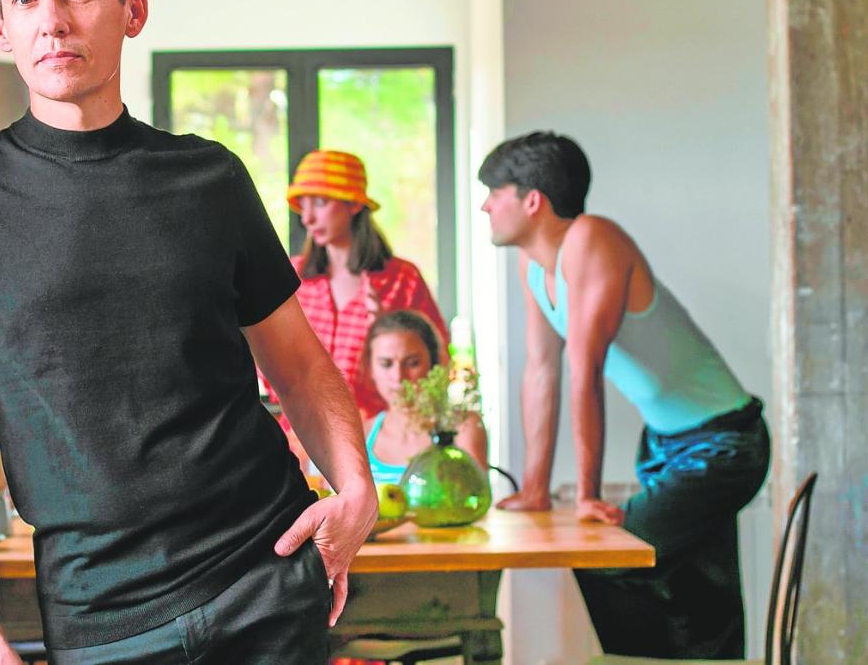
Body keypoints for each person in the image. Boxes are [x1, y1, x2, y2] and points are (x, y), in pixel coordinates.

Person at [0, 0, 376, 664]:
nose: (53, 21)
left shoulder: (210, 178)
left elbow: (297, 365)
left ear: (133, 10)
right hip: (98, 617)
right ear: (0, 27)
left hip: (264, 574)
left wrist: (356, 490)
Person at [478, 131, 770, 659]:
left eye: (494, 193)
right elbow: (541, 371)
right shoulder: (533, 265)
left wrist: (588, 495)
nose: (485, 206)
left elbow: (584, 367)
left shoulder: (592, 238)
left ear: (532, 200)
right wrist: (535, 489)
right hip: (667, 445)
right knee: (696, 583)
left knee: (610, 557)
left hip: (725, 443)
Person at [282, 149, 449, 420]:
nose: (307, 218)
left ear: (354, 205)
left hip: (376, 435)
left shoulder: (403, 280)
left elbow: (438, 363)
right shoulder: (292, 276)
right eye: (303, 204)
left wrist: (385, 330)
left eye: (320, 203)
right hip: (302, 432)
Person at [362, 311, 487, 486]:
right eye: (386, 364)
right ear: (370, 369)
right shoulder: (361, 436)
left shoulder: (461, 428)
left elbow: (476, 497)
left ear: (434, 364)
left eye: (412, 363)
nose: (398, 376)